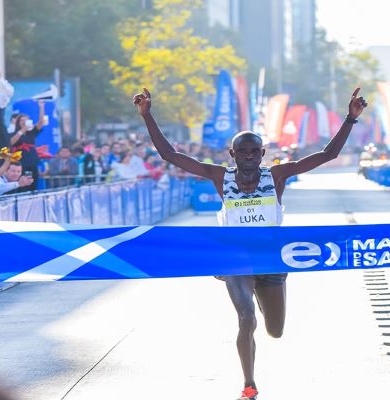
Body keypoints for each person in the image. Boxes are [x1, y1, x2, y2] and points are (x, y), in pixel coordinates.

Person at [134, 86, 367, 400]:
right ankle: (249, 384)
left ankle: (261, 294)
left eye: (253, 152)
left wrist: (350, 120)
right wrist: (147, 116)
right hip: (236, 260)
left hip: (271, 260)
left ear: (262, 154)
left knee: (275, 330)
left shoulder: (278, 176)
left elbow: (328, 155)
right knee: (246, 318)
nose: (247, 157)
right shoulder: (221, 177)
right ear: (232, 154)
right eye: (241, 152)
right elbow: (170, 156)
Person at [9, 101, 46, 192]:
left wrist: (41, 107)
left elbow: (41, 122)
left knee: (33, 182)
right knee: (23, 185)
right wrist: (22, 130)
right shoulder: (13, 133)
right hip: (21, 162)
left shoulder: (31, 133)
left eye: (26, 120)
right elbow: (11, 142)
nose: (24, 122)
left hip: (32, 161)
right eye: (22, 120)